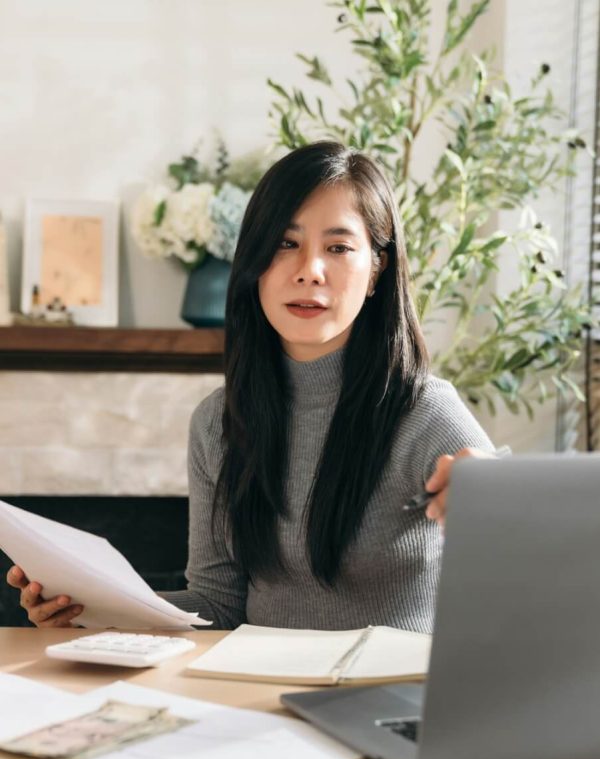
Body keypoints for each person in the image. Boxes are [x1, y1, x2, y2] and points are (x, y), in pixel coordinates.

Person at [7, 140, 498, 632]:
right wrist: (89, 607)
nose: (309, 270)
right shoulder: (219, 421)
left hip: (381, 697)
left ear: (376, 270)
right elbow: (217, 605)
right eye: (286, 243)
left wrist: (493, 493)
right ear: (254, 261)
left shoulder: (425, 411)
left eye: (339, 247)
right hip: (257, 692)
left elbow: (515, 531)